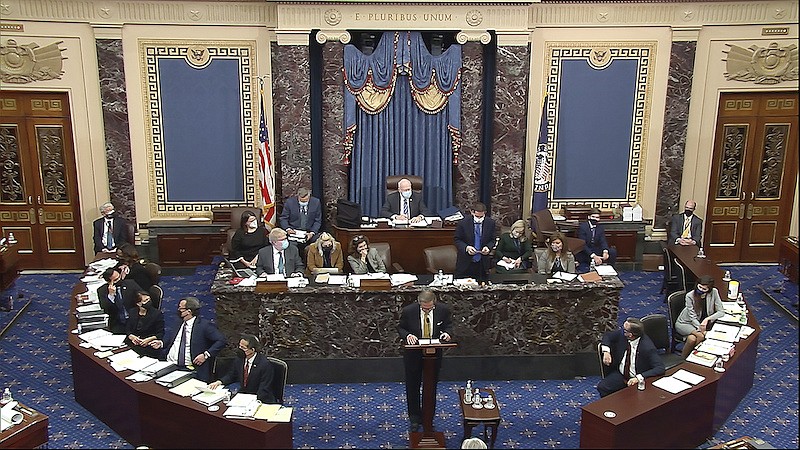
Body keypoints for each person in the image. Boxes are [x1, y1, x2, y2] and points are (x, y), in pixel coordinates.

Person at [397, 289, 452, 433]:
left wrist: (447, 334)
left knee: (431, 387)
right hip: (413, 355)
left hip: (433, 356)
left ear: (434, 303)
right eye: (424, 308)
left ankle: (428, 417)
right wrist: (407, 335)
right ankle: (414, 418)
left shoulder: (443, 310)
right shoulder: (409, 311)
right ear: (419, 303)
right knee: (412, 387)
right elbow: (401, 327)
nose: (427, 310)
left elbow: (449, 326)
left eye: (430, 308)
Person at [149, 297, 226, 382]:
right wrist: (161, 343)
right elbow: (172, 339)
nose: (178, 310)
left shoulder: (204, 326)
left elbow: (221, 340)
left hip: (189, 368)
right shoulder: (178, 322)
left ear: (189, 311)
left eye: (180, 308)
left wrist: (205, 355)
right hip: (169, 364)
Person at [597, 317, 665, 397]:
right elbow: (608, 336)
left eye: (625, 330)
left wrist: (638, 377)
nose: (622, 331)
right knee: (602, 387)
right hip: (621, 374)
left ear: (630, 335)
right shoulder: (623, 335)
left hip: (637, 378)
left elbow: (660, 368)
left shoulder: (648, 348)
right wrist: (606, 352)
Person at [208, 333, 276, 403]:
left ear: (252, 350)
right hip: (243, 396)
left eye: (243, 348)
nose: (240, 349)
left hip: (260, 399)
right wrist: (219, 382)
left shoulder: (265, 365)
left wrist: (252, 401)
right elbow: (231, 375)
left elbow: (264, 389)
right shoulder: (239, 359)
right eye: (240, 346)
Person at [675, 275, 726, 358]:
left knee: (692, 339)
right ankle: (694, 358)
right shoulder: (690, 296)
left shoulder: (714, 292)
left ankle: (684, 359)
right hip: (685, 323)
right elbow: (692, 317)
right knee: (701, 336)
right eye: (700, 287)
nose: (701, 290)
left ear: (709, 289)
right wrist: (700, 327)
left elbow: (721, 312)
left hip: (701, 323)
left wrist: (707, 319)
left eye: (704, 289)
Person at [454, 203, 496, 281]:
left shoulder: (490, 223)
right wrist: (467, 247)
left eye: (481, 217)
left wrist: (488, 247)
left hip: (482, 264)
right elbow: (457, 239)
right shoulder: (463, 223)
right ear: (472, 212)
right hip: (466, 263)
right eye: (477, 216)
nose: (479, 219)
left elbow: (493, 239)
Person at [98, 267, 142, 334]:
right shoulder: (102, 290)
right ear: (108, 282)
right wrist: (111, 296)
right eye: (116, 279)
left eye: (119, 277)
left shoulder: (130, 283)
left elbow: (143, 296)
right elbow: (106, 309)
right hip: (117, 322)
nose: (119, 280)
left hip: (135, 319)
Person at [124, 291, 165, 358]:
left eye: (149, 299)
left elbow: (160, 333)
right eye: (145, 300)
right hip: (134, 343)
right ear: (138, 304)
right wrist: (131, 336)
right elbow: (128, 329)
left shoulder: (157, 314)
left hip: (149, 344)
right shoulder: (132, 312)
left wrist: (148, 339)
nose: (149, 302)